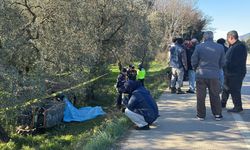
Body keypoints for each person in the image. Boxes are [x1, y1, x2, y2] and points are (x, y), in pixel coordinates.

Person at [191, 31, 225, 121]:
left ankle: (201, 115)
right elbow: (223, 62)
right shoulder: (220, 47)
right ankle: (217, 114)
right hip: (214, 74)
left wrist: (195, 69)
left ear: (204, 37)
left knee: (201, 96)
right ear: (213, 37)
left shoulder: (199, 47)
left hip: (201, 74)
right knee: (215, 95)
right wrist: (217, 68)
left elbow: (194, 60)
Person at [221, 30, 248, 112]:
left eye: (227, 39)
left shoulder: (239, 46)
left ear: (231, 37)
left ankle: (238, 107)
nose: (227, 40)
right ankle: (222, 103)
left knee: (235, 89)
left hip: (236, 73)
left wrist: (227, 65)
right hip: (229, 72)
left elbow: (236, 61)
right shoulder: (233, 46)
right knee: (225, 88)